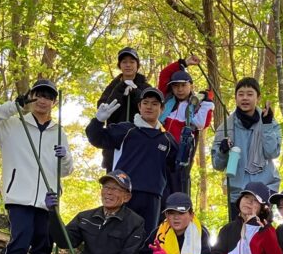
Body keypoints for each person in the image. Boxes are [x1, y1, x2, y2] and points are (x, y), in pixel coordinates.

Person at [0, 79, 73, 254]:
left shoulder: (59, 132)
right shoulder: (13, 125)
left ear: (54, 103)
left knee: (44, 241)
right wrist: (14, 106)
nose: (43, 101)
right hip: (19, 195)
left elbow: (66, 171)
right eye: (39, 95)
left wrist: (65, 156)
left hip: (47, 199)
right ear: (31, 97)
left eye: (48, 97)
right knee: (21, 240)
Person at [86, 87, 177, 235]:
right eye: (145, 103)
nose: (149, 107)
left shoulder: (167, 139)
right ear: (139, 106)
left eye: (154, 104)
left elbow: (176, 167)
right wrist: (98, 121)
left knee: (146, 239)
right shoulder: (126, 130)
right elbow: (96, 138)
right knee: (117, 235)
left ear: (162, 109)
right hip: (124, 193)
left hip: (153, 197)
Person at [212, 77, 282, 220]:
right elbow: (217, 165)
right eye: (241, 94)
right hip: (237, 194)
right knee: (238, 233)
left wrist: (267, 126)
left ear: (258, 97)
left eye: (250, 94)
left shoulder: (270, 122)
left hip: (264, 189)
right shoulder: (226, 127)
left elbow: (272, 152)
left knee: (263, 232)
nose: (245, 98)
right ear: (236, 97)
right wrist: (222, 151)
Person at [158, 55, 214, 196]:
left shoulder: (197, 105)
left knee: (179, 192)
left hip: (182, 157)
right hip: (161, 154)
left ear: (191, 86)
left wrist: (207, 101)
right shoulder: (166, 101)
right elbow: (164, 74)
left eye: (184, 85)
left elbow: (201, 123)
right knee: (160, 192)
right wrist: (184, 63)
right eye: (176, 86)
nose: (180, 89)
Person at [97, 47, 151, 170]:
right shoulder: (112, 87)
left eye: (132, 62)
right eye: (124, 62)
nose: (128, 65)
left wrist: (136, 93)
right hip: (114, 145)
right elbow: (102, 107)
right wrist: (119, 90)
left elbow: (152, 110)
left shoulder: (146, 87)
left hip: (140, 143)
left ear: (137, 65)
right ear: (119, 65)